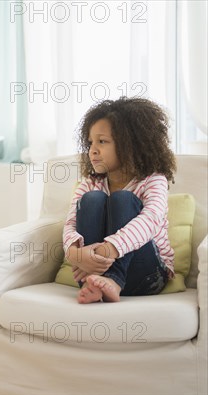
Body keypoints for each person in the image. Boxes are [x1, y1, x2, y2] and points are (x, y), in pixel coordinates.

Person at [63, 97, 177, 304]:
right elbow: (71, 223)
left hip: (146, 275)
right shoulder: (90, 183)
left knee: (122, 199)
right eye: (90, 143)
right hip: (93, 272)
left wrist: (106, 250)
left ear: (130, 144)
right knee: (92, 199)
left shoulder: (153, 181)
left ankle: (114, 280)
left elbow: (150, 220)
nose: (93, 150)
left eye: (102, 141)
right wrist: (74, 254)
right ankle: (98, 284)